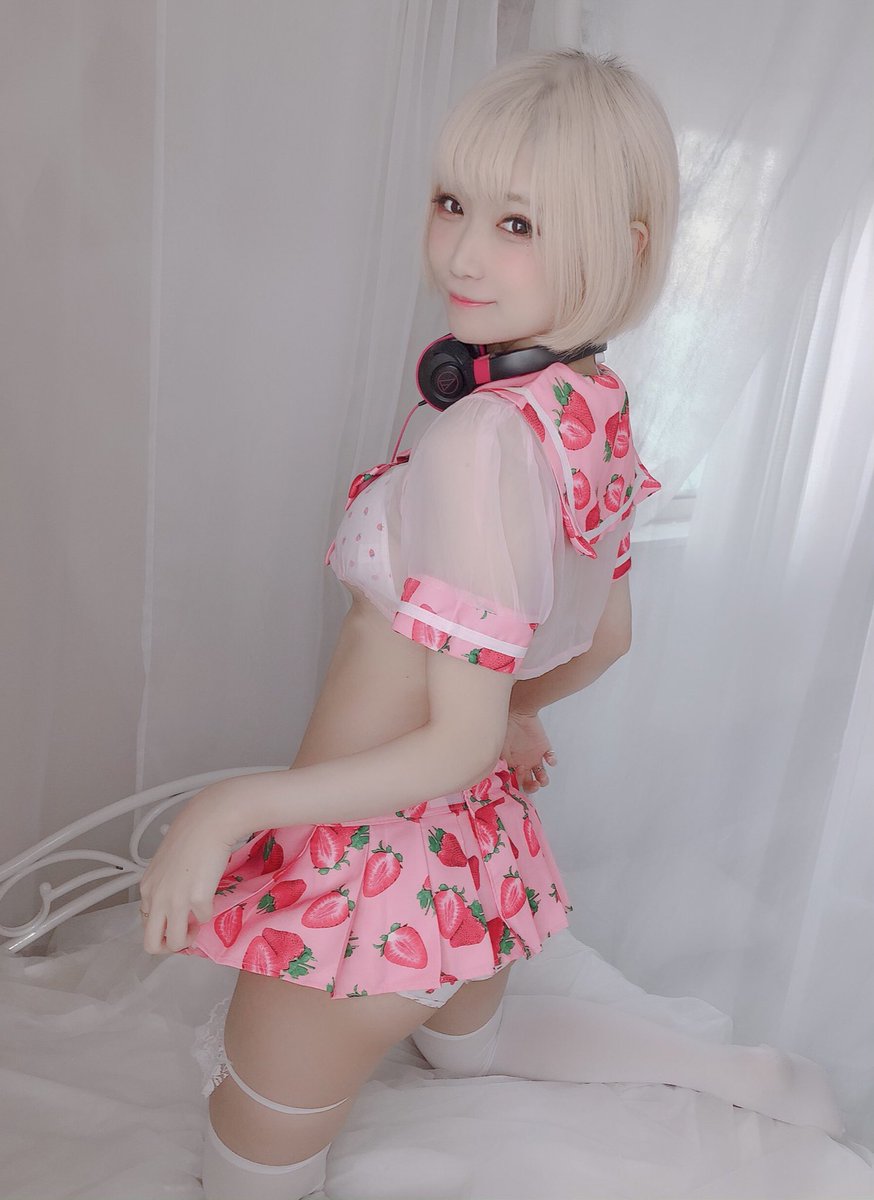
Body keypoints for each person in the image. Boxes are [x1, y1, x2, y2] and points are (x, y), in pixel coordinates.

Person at [138, 48, 844, 1200]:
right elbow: (605, 636)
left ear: (624, 246)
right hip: (470, 864)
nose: (463, 253)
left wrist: (227, 807)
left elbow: (459, 737)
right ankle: (738, 1074)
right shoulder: (588, 403)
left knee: (248, 1159)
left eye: (517, 224)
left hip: (366, 880)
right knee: (469, 1049)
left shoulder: (474, 439)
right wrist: (513, 707)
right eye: (451, 203)